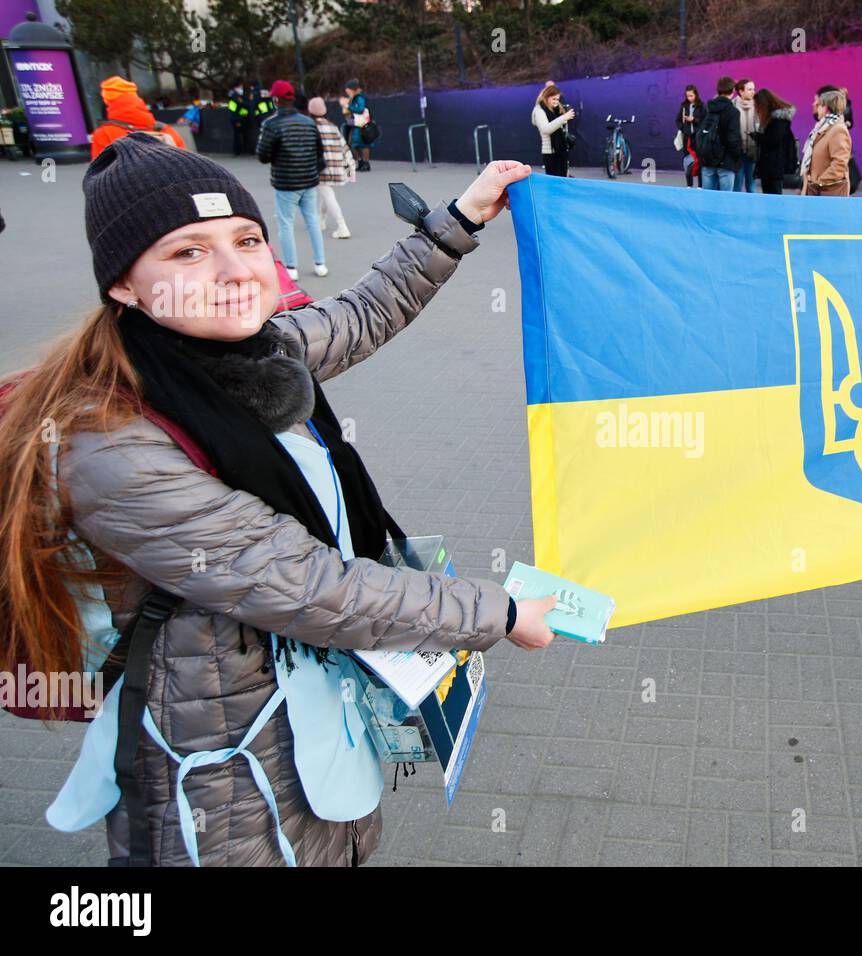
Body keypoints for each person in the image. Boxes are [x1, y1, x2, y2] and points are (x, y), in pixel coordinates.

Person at [0, 134, 558, 866]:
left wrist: (462, 215)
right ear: (124, 286)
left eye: (248, 239)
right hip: (221, 767)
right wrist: (499, 612)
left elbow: (363, 313)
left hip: (307, 711)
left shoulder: (248, 354)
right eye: (188, 252)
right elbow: (308, 585)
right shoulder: (109, 442)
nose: (235, 270)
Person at [257, 79, 327, 280]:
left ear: (276, 100)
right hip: (309, 180)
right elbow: (319, 152)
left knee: (286, 224)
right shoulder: (308, 122)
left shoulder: (271, 124)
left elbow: (263, 155)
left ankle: (291, 268)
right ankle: (320, 263)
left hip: (286, 183)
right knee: (312, 221)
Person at [90, 76, 185, 160]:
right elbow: (185, 162)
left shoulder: (104, 134)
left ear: (108, 103)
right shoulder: (166, 130)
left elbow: (99, 173)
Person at [309, 96, 355, 240]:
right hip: (336, 167)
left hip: (322, 168)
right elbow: (344, 146)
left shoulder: (310, 127)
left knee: (328, 195)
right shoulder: (332, 126)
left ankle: (342, 226)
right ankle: (321, 221)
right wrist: (351, 165)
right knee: (327, 194)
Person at [800, 86, 852, 197]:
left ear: (827, 108)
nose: (816, 107)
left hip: (828, 193)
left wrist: (819, 182)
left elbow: (839, 164)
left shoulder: (837, 130)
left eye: (820, 105)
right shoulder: (822, 127)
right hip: (817, 191)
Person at [699, 76, 742, 191]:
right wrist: (737, 155)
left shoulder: (708, 108)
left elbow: (700, 134)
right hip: (726, 161)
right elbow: (732, 138)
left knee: (707, 198)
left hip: (708, 160)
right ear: (732, 91)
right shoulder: (733, 112)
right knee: (725, 200)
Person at [752, 88, 796, 195]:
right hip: (773, 165)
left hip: (774, 165)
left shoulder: (778, 121)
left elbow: (772, 140)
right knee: (771, 192)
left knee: (773, 193)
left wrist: (757, 137)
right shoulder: (778, 120)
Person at [532, 83, 575, 177]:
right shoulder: (539, 110)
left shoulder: (556, 110)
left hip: (561, 151)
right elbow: (546, 129)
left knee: (562, 182)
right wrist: (563, 118)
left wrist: (565, 116)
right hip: (550, 153)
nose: (556, 102)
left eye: (557, 99)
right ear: (546, 97)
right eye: (553, 99)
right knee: (553, 184)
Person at [731, 78, 759, 193]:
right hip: (737, 153)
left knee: (751, 186)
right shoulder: (732, 105)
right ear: (741, 91)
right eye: (750, 89)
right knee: (737, 185)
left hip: (753, 152)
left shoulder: (758, 106)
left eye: (753, 89)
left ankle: (752, 209)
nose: (753, 92)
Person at [677, 84, 706, 188]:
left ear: (696, 95)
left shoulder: (701, 106)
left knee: (699, 161)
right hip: (687, 138)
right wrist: (683, 128)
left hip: (698, 138)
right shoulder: (684, 106)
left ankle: (700, 185)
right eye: (688, 96)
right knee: (687, 161)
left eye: (691, 96)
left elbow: (705, 121)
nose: (689, 98)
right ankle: (689, 184)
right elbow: (678, 120)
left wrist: (694, 120)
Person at [341, 79, 371, 172]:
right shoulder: (353, 97)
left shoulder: (359, 97)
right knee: (353, 144)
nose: (346, 91)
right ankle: (360, 161)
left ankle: (365, 163)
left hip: (361, 123)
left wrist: (348, 107)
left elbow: (360, 109)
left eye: (348, 89)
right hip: (354, 123)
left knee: (363, 143)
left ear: (353, 89)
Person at [226, 81, 252, 156]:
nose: (241, 88)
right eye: (240, 86)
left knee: (239, 134)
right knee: (237, 135)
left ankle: (239, 150)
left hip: (237, 118)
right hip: (236, 118)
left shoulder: (235, 95)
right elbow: (241, 105)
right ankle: (237, 151)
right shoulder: (235, 96)